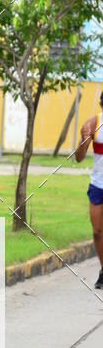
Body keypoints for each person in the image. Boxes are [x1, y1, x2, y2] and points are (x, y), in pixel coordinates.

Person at [76, 91, 103, 289]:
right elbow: (79, 157)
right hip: (98, 184)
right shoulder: (94, 123)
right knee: (97, 232)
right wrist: (85, 140)